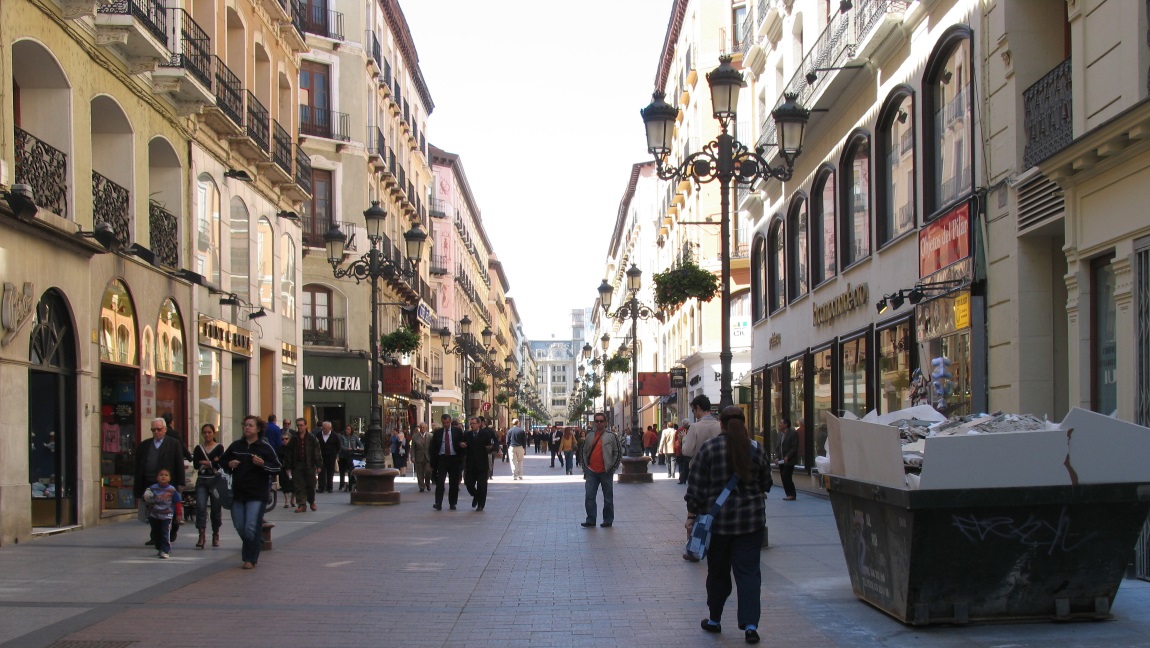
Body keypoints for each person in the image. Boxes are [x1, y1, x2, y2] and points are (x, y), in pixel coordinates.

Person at [685, 406, 772, 644]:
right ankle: (751, 626)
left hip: (719, 525)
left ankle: (714, 619)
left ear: (721, 424)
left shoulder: (710, 449)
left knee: (718, 573)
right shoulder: (755, 449)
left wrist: (692, 515)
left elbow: (696, 486)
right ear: (744, 423)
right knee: (749, 575)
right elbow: (767, 482)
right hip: (751, 523)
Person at [221, 415, 282, 570]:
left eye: (250, 425)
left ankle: (250, 559)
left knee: (250, 526)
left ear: (258, 429)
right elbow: (221, 461)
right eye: (245, 425)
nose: (247, 428)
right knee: (240, 526)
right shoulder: (236, 446)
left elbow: (277, 467)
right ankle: (255, 541)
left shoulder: (264, 447)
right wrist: (229, 464)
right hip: (238, 493)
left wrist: (263, 464)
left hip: (257, 493)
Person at [134, 417, 186, 545]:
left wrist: (180, 483)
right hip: (149, 483)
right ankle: (155, 535)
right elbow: (138, 465)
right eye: (154, 430)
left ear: (165, 429)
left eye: (159, 429)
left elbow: (179, 463)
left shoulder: (173, 444)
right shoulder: (145, 445)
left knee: (168, 510)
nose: (156, 432)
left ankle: (171, 531)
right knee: (152, 511)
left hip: (168, 484)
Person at [580, 412, 623, 528]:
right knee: (589, 496)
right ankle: (591, 519)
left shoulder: (611, 436)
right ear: (594, 422)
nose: (599, 423)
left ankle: (608, 520)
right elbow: (583, 451)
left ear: (605, 422)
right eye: (597, 421)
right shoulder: (589, 436)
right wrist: (586, 467)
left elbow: (618, 452)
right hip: (591, 471)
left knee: (608, 498)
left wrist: (612, 468)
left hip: (606, 471)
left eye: (601, 421)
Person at [191, 423, 224, 549]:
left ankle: (216, 533)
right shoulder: (198, 448)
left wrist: (208, 463)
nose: (207, 435)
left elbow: (220, 463)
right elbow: (196, 464)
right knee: (200, 507)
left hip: (215, 481)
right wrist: (212, 462)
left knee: (216, 508)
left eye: (209, 432)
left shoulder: (219, 447)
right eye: (204, 432)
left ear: (214, 433)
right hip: (202, 481)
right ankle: (201, 535)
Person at [681, 395, 721, 486]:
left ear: (698, 408)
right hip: (717, 469)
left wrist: (684, 438)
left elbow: (687, 452)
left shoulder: (695, 427)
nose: (694, 413)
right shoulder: (719, 425)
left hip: (699, 470)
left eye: (693, 410)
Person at [143, 468, 182, 559]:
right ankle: (159, 547)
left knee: (165, 532)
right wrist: (147, 498)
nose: (163, 477)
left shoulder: (172, 489)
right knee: (156, 532)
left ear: (169, 478)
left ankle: (165, 550)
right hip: (154, 514)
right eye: (161, 475)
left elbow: (177, 502)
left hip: (167, 515)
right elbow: (146, 498)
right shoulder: (153, 488)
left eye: (166, 475)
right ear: (157, 478)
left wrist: (179, 514)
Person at [287, 418, 322, 512]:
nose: (299, 427)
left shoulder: (312, 438)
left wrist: (318, 465)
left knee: (311, 484)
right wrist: (288, 466)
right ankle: (301, 504)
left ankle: (311, 501)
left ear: (306, 425)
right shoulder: (294, 438)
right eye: (298, 425)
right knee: (299, 485)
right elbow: (289, 453)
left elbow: (317, 452)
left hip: (309, 464)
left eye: (301, 425)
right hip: (297, 464)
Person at [462, 416, 497, 511]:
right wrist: (462, 445)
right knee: (469, 484)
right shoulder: (467, 434)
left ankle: (481, 505)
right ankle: (476, 496)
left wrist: (491, 448)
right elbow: (462, 445)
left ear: (478, 424)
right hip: (470, 464)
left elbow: (492, 444)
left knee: (482, 486)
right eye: (471, 424)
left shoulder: (485, 434)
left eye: (474, 423)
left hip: (482, 464)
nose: (472, 425)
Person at [430, 415, 464, 510]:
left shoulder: (457, 431)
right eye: (444, 423)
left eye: (447, 423)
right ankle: (438, 503)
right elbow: (433, 448)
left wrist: (461, 460)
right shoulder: (437, 433)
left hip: (454, 459)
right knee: (440, 482)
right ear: (442, 422)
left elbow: (462, 443)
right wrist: (432, 464)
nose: (446, 425)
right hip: (442, 459)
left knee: (453, 483)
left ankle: (452, 503)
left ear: (450, 422)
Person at [776, 417, 799, 501]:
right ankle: (788, 494)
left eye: (781, 423)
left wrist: (788, 456)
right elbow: (778, 447)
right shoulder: (779, 434)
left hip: (789, 460)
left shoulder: (793, 433)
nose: (779, 424)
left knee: (787, 476)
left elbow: (794, 447)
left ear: (786, 424)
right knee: (783, 476)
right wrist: (777, 457)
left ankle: (792, 494)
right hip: (781, 460)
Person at [315, 421, 341, 493]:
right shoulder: (319, 435)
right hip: (321, 456)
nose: (324, 430)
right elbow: (315, 445)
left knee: (330, 472)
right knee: (321, 472)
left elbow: (338, 446)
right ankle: (321, 487)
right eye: (323, 428)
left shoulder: (334, 436)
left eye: (326, 429)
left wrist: (334, 453)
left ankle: (330, 487)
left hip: (331, 456)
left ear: (330, 428)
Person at [338, 424, 362, 491]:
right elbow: (341, 446)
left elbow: (360, 444)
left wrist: (361, 447)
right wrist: (346, 449)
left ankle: (351, 484)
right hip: (343, 455)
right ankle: (341, 484)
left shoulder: (354, 437)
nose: (347, 431)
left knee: (351, 471)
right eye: (346, 429)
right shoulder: (342, 437)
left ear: (351, 430)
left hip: (351, 455)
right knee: (342, 471)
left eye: (349, 429)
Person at [410, 423, 433, 492]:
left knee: (428, 471)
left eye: (423, 427)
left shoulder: (430, 436)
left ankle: (427, 483)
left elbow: (433, 447)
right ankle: (421, 486)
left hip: (428, 457)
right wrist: (413, 457)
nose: (422, 429)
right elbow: (413, 448)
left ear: (426, 428)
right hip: (419, 457)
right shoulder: (415, 437)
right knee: (419, 472)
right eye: (421, 427)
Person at [276, 429, 293, 508]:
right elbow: (277, 458)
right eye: (282, 439)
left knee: (294, 484)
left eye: (286, 439)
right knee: (284, 484)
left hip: (292, 468)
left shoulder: (293, 448)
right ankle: (287, 501)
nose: (284, 441)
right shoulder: (280, 448)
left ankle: (293, 499)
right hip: (283, 468)